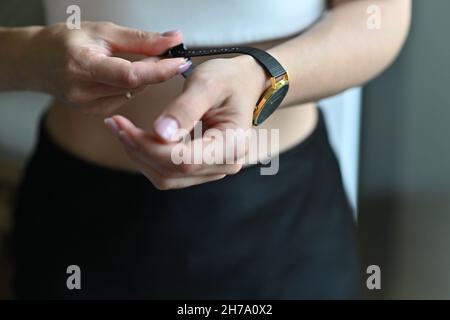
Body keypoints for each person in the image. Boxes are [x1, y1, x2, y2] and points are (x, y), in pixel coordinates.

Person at [0, 0, 411, 299]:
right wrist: (26, 57)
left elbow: (378, 16)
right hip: (79, 222)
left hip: (283, 225)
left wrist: (263, 75)